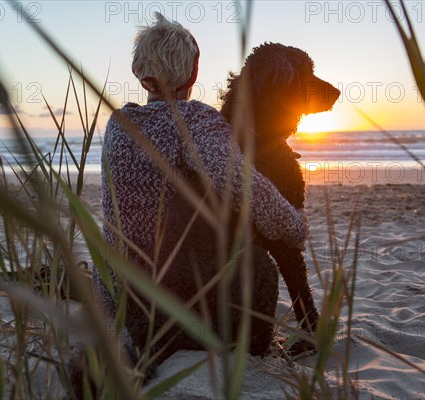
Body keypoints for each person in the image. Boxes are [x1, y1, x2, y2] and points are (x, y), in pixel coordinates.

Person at [93, 13, 309, 374]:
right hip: (183, 309)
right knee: (257, 265)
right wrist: (297, 226)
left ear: (140, 72)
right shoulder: (195, 120)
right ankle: (254, 352)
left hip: (129, 308)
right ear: (194, 73)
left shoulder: (119, 125)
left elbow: (115, 223)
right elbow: (251, 191)